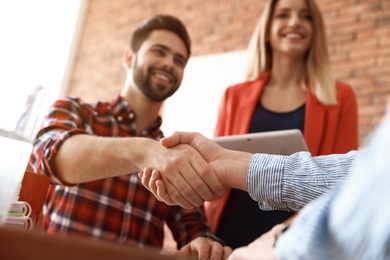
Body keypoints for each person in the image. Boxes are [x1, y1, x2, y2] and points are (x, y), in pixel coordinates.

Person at [29, 14, 231, 260]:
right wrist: (146, 152)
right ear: (129, 57)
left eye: (179, 60)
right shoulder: (74, 111)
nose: (169, 63)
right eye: (159, 51)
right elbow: (51, 158)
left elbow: (195, 229)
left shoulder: (172, 154)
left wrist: (204, 244)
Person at [140, 102, 390, 259]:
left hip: (290, 234)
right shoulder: (236, 95)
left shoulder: (337, 96)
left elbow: (359, 191)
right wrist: (224, 166)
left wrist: (278, 245)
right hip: (243, 233)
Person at [206, 0, 358, 248]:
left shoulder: (340, 97)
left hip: (291, 240)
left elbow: (343, 184)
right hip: (228, 233)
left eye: (305, 16)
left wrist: (281, 236)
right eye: (283, 14)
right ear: (267, 29)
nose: (295, 22)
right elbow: (215, 165)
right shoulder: (234, 95)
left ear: (315, 30)